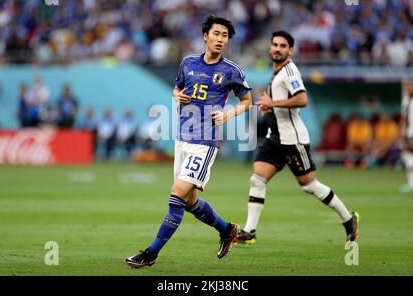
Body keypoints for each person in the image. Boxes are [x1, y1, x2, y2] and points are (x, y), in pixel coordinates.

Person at [125, 15, 252, 268]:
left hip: (205, 142)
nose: (220, 39)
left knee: (176, 195)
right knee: (190, 202)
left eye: (225, 36)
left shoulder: (232, 70)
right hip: (182, 139)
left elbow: (248, 101)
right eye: (216, 34)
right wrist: (177, 95)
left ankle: (150, 253)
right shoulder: (188, 63)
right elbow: (177, 89)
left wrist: (228, 114)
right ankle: (227, 230)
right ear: (206, 36)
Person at [234, 30, 359, 246]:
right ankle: (250, 231)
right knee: (257, 178)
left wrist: (273, 104)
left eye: (283, 46)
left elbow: (302, 99)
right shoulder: (277, 72)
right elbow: (283, 103)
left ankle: (348, 218)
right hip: (275, 138)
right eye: (275, 44)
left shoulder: (290, 72)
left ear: (290, 50)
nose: (277, 49)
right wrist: (270, 108)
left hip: (293, 140)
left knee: (309, 185)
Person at [400, 80, 413, 193]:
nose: (408, 88)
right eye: (407, 86)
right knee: (407, 155)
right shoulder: (406, 100)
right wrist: (403, 131)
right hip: (409, 133)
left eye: (410, 85)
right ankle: (411, 183)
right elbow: (404, 118)